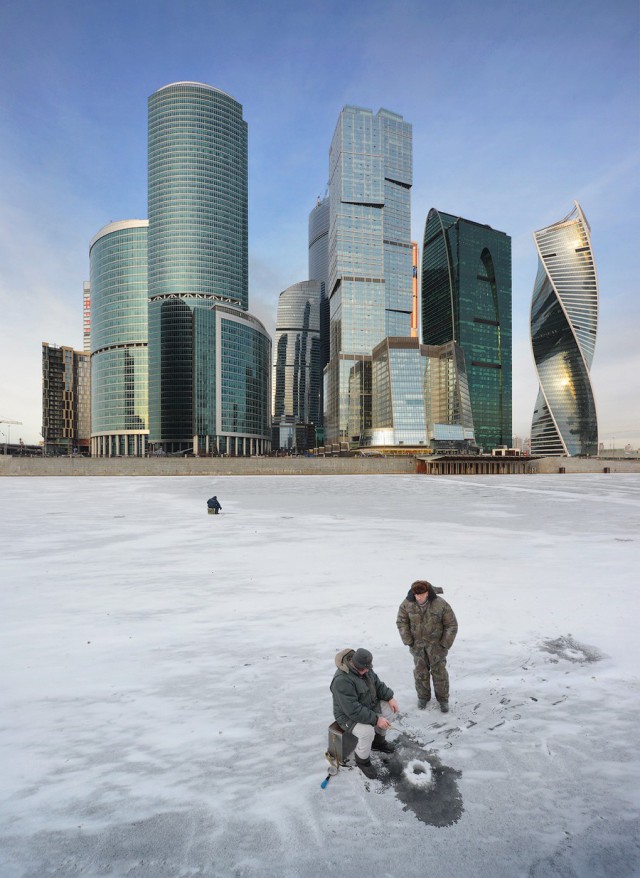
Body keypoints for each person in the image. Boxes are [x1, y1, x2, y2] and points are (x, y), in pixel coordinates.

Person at [330, 647, 399, 779]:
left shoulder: (365, 668)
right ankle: (362, 760)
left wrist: (390, 697)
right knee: (367, 732)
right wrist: (376, 719)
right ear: (354, 664)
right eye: (364, 669)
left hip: (368, 706)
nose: (367, 671)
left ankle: (378, 742)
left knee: (390, 711)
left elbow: (378, 685)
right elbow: (353, 710)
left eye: (368, 668)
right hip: (347, 717)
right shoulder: (342, 680)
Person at [396, 580, 458, 713]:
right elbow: (401, 622)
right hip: (417, 647)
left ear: (428, 592)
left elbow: (451, 625)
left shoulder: (440, 604)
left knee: (439, 673)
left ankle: (443, 699)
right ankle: (423, 697)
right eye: (417, 595)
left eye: (422, 594)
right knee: (420, 673)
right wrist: (408, 640)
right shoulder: (407, 604)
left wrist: (444, 644)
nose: (419, 597)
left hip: (437, 647)